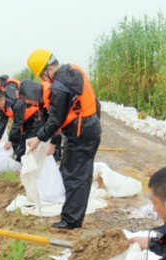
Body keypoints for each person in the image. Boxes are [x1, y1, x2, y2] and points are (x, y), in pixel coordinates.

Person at [26, 49, 102, 229]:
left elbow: (55, 119)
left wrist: (38, 138)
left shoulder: (59, 87)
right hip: (90, 127)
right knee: (81, 174)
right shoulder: (75, 70)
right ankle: (74, 216)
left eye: (43, 77)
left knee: (74, 176)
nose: (44, 81)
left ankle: (71, 220)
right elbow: (95, 103)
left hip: (80, 132)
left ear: (47, 69)